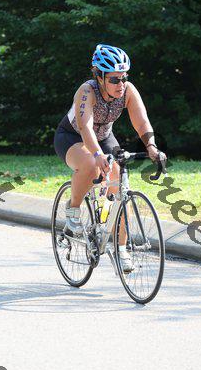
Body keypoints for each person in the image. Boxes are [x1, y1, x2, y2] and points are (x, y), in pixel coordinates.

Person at [53, 43, 164, 272]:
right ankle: (73, 210)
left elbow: (142, 122)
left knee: (119, 182)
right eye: (114, 79)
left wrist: (152, 147)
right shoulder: (87, 91)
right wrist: (97, 155)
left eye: (124, 78)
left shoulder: (128, 91)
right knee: (91, 165)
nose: (121, 84)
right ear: (100, 77)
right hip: (72, 136)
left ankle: (121, 249)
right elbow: (85, 127)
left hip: (104, 137)